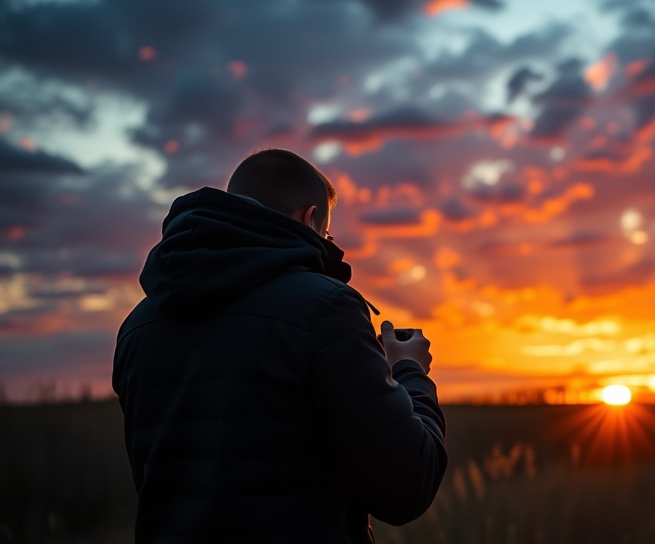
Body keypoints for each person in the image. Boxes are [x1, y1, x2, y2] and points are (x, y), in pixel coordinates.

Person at [113, 148, 447, 543]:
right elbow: (406, 487)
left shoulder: (137, 325)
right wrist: (409, 371)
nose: (327, 243)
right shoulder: (325, 308)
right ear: (308, 218)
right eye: (327, 235)